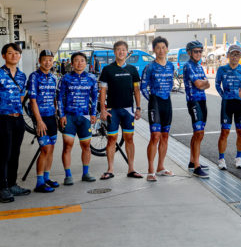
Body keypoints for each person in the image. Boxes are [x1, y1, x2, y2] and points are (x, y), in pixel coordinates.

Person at [0, 43, 30, 203]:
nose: (14, 56)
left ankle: (12, 184)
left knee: (15, 153)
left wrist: (16, 107)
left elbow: (22, 95)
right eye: (10, 53)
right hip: (2, 118)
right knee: (5, 153)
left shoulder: (22, 76)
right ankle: (2, 188)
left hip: (18, 118)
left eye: (16, 53)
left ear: (20, 56)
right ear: (4, 56)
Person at [99, 40, 143, 180]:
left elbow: (137, 90)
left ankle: (131, 169)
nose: (121, 52)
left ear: (127, 52)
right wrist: (103, 109)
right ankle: (110, 169)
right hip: (113, 110)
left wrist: (138, 108)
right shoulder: (107, 69)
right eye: (118, 49)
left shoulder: (132, 69)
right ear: (114, 52)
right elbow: (102, 90)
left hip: (128, 110)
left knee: (129, 138)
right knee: (112, 139)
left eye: (123, 49)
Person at [57, 52, 98, 185]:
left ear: (86, 63)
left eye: (82, 60)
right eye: (76, 60)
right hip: (69, 117)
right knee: (67, 146)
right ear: (72, 63)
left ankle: (86, 173)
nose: (79, 63)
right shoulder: (65, 78)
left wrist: (93, 114)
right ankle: (68, 175)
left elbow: (95, 97)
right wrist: (61, 115)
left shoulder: (91, 78)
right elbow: (59, 98)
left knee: (86, 146)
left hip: (85, 117)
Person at [141, 36, 174, 181]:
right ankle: (150, 170)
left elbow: (171, 84)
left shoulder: (171, 66)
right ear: (154, 50)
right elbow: (143, 87)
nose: (161, 50)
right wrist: (152, 100)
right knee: (155, 136)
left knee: (165, 136)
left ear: (167, 49)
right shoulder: (150, 67)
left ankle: (161, 167)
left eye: (163, 47)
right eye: (158, 48)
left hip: (167, 102)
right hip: (155, 102)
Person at [215, 45, 241, 170]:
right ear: (228, 55)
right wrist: (223, 94)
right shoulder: (222, 69)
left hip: (240, 103)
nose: (235, 57)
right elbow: (217, 84)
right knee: (224, 131)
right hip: (227, 103)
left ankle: (238, 157)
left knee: (240, 131)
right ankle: (221, 159)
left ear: (240, 56)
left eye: (237, 54)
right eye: (232, 54)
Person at [27, 50, 59, 193]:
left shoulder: (53, 77)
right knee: (44, 149)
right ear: (39, 61)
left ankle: (46, 178)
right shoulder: (34, 77)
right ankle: (39, 182)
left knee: (51, 148)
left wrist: (57, 114)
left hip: (51, 116)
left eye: (50, 60)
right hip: (40, 117)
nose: (47, 62)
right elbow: (32, 101)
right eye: (45, 59)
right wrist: (39, 121)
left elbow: (54, 98)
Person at [183, 40, 210, 178]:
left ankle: (192, 161)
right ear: (189, 53)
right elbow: (200, 84)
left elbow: (208, 84)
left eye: (200, 51)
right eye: (196, 51)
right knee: (198, 132)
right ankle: (197, 167)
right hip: (193, 101)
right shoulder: (188, 66)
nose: (199, 53)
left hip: (202, 101)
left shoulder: (199, 66)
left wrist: (203, 83)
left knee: (199, 133)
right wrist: (203, 83)